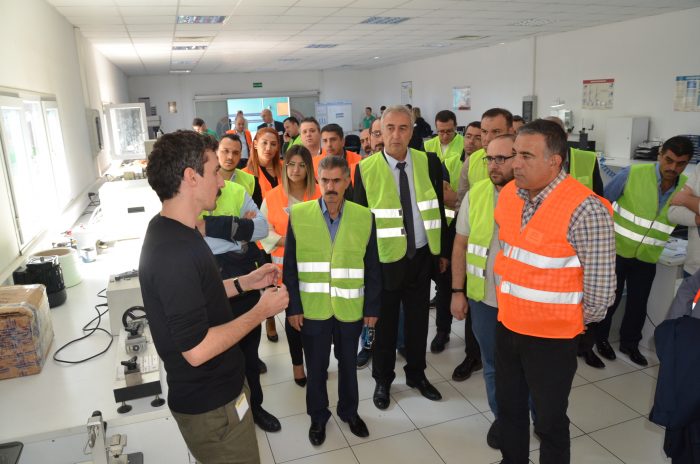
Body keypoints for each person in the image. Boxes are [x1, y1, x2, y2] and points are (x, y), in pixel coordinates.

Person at [139, 130, 288, 464]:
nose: (221, 182)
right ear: (191, 177)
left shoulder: (178, 229)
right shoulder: (173, 252)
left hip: (225, 391)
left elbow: (199, 293)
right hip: (211, 406)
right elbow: (197, 350)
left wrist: (244, 283)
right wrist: (261, 311)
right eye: (215, 172)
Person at [494, 119, 616, 463]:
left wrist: (567, 321)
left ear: (555, 161)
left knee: (549, 421)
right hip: (508, 326)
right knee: (509, 410)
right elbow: (510, 257)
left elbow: (601, 293)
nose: (515, 163)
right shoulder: (509, 195)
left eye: (526, 156)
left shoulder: (585, 208)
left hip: (551, 339)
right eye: (515, 154)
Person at [354, 105, 449, 409]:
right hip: (385, 262)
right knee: (385, 326)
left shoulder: (428, 162)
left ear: (412, 131)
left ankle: (417, 375)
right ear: (380, 132)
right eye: (390, 128)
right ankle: (383, 380)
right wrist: (365, 268)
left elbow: (438, 210)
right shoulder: (365, 169)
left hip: (421, 257)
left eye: (403, 128)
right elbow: (360, 223)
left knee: (419, 323)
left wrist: (441, 252)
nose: (396, 135)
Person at [284, 155, 381, 446]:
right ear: (317, 180)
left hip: (350, 309)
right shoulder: (299, 215)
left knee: (348, 365)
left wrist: (372, 307)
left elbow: (373, 267)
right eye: (325, 180)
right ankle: (318, 417)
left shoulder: (364, 217)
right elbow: (290, 267)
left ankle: (349, 412)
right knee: (316, 368)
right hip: (312, 309)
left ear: (347, 181)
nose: (330, 187)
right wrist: (293, 307)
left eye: (337, 180)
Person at [198, 146, 280, 433]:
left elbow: (261, 229)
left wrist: (209, 226)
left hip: (243, 282)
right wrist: (238, 234)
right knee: (219, 359)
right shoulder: (192, 198)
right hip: (210, 284)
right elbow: (192, 234)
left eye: (236, 152)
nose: (220, 180)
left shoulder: (234, 190)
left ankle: (255, 407)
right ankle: (228, 417)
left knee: (249, 354)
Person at [596, 136, 693, 366]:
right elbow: (602, 203)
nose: (673, 168)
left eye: (680, 163)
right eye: (669, 160)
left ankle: (630, 344)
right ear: (660, 155)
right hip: (617, 250)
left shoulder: (685, 187)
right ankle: (600, 340)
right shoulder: (633, 174)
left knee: (638, 303)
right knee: (610, 300)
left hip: (648, 256)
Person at [451, 134, 516, 449]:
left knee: (525, 367)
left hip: (521, 302)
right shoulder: (476, 194)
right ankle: (503, 418)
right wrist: (457, 291)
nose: (494, 165)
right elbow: (460, 245)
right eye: (490, 158)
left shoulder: (532, 198)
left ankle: (533, 415)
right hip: (483, 300)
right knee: (491, 363)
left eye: (502, 159)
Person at [545, 116, 607, 368]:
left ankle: (586, 347)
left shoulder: (586, 159)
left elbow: (599, 197)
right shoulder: (538, 162)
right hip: (551, 240)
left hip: (582, 242)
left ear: (564, 136)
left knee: (583, 296)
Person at [260, 144, 321, 387]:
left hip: (317, 270)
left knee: (316, 319)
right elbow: (263, 231)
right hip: (286, 272)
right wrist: (289, 240)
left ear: (309, 169)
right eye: (291, 164)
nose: (296, 170)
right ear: (284, 167)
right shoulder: (272, 196)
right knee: (293, 317)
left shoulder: (319, 192)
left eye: (302, 165)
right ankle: (298, 365)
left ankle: (317, 362)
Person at [243, 127, 285, 341]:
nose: (269, 148)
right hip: (261, 236)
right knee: (267, 278)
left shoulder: (285, 169)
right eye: (264, 143)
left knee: (287, 277)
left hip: (285, 232)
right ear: (255, 144)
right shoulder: (246, 174)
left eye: (273, 144)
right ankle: (270, 318)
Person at [456, 108, 516, 210]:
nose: (487, 139)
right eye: (484, 132)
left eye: (496, 132)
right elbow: (461, 202)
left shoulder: (522, 161)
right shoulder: (471, 160)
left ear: (511, 131)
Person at [668, 161, 700, 278]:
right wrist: (697, 217)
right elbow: (673, 213)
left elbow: (680, 198)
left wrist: (686, 200)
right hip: (693, 267)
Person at [217, 134, 262, 206]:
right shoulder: (203, 180)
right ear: (216, 152)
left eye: (235, 153)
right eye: (226, 151)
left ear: (240, 155)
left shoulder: (252, 182)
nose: (230, 157)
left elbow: (256, 211)